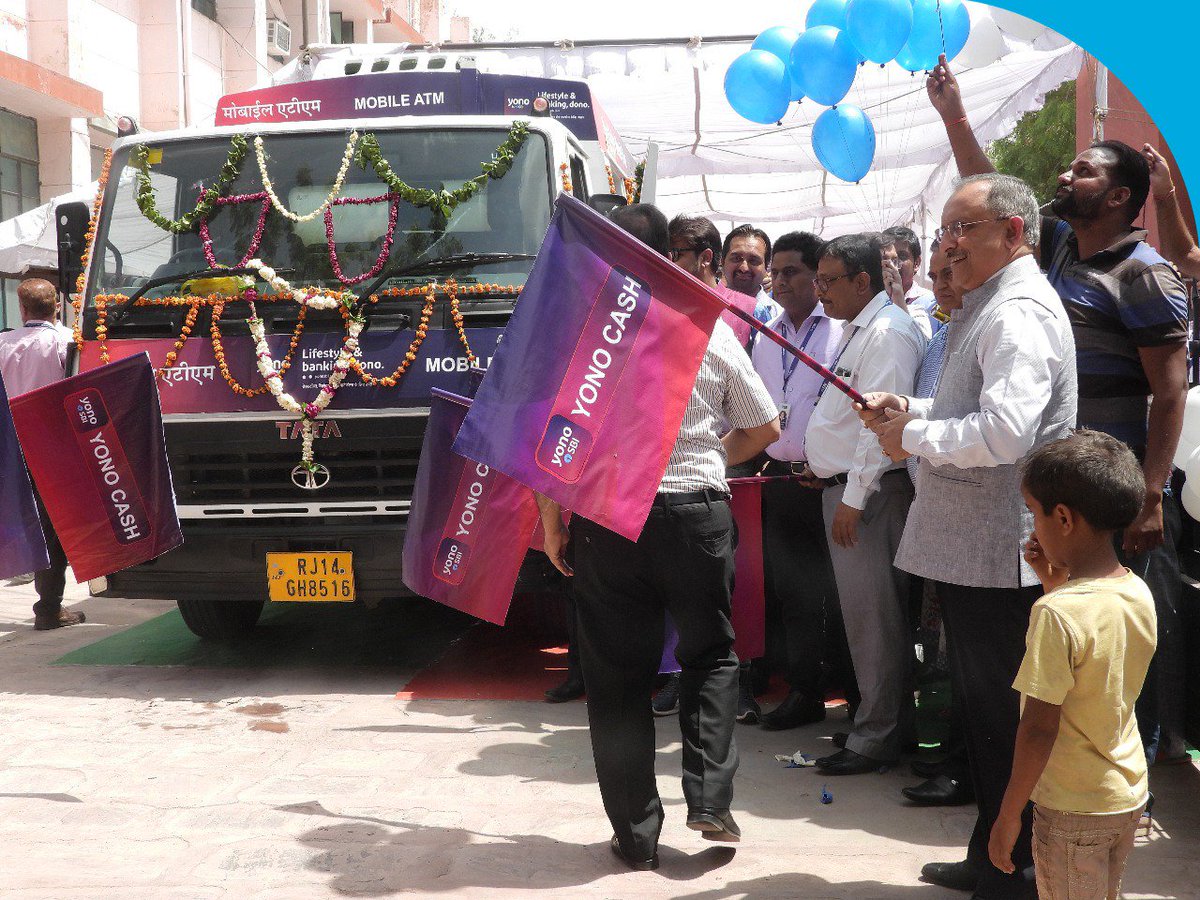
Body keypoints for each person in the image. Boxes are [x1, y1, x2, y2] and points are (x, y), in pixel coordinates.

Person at [928, 55, 1189, 766]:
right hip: (1065, 481)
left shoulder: (1144, 273)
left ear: (1119, 197)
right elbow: (996, 200)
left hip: (1119, 482)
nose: (1065, 179)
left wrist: (1150, 493)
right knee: (1063, 631)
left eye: (1083, 172)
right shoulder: (1064, 250)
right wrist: (953, 115)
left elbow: (1167, 391)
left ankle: (1126, 774)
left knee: (1114, 631)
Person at [537, 203, 781, 871]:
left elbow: (552, 440)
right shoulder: (702, 324)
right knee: (711, 656)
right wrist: (704, 462)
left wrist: (552, 523)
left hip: (608, 521)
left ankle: (636, 835)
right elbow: (764, 426)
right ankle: (710, 800)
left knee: (618, 680)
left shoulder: (579, 334)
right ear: (666, 253)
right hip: (696, 515)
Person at [858, 172, 1077, 899]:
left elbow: (1007, 433)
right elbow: (974, 408)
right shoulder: (991, 306)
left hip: (996, 550)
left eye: (962, 229)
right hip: (972, 546)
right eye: (946, 231)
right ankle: (996, 856)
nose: (947, 245)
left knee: (1003, 720)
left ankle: (1016, 869)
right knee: (986, 719)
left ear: (1013, 233)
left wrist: (913, 434)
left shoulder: (1017, 313)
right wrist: (910, 405)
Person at [990, 430, 1156, 900]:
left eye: (1032, 513)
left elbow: (1040, 727)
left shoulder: (1056, 615)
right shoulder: (1135, 590)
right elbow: (1093, 663)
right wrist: (1054, 583)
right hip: (1124, 794)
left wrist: (1007, 815)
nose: (1033, 527)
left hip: (1072, 809)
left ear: (1062, 517)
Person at [802, 233, 925, 776]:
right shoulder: (861, 330)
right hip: (846, 491)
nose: (819, 291)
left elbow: (880, 429)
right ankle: (876, 724)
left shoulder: (887, 334)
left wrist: (852, 497)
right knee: (865, 617)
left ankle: (878, 736)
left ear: (862, 281)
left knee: (876, 618)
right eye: (818, 281)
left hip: (870, 497)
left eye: (828, 282)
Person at [748, 231, 848, 731]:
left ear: (817, 275)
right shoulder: (765, 333)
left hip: (830, 484)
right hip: (780, 482)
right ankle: (804, 691)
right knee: (792, 592)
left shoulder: (842, 332)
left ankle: (851, 697)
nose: (779, 281)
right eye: (777, 271)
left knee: (840, 593)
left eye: (791, 271)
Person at [899, 240, 974, 809]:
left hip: (976, 519)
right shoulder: (942, 332)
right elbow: (933, 405)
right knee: (940, 645)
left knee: (967, 655)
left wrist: (909, 430)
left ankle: (965, 766)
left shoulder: (991, 330)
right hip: (934, 503)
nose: (941, 285)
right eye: (935, 275)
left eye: (951, 273)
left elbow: (988, 428)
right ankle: (949, 755)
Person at [0, 278, 82, 630]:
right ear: (57, 307)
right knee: (53, 526)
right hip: (53, 448)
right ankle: (49, 607)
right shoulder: (66, 342)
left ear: (22, 309)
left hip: (12, 446)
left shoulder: (2, 344)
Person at [884, 225, 944, 336]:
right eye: (887, 258)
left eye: (901, 256)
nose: (894, 264)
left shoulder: (934, 304)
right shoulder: (874, 301)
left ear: (916, 263)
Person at [720, 223, 782, 326]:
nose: (744, 268)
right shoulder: (709, 307)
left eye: (753, 260)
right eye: (736, 258)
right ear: (722, 262)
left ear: (766, 267)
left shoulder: (778, 318)